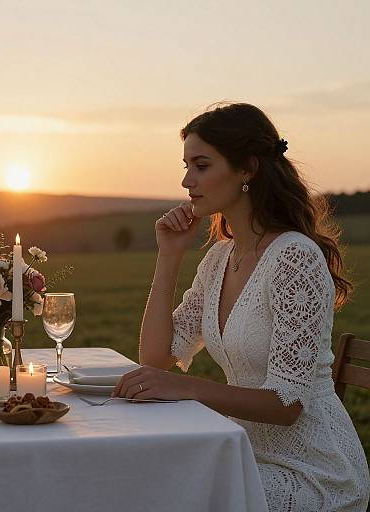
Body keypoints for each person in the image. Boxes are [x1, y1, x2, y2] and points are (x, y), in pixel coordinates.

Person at [112, 103, 370, 511]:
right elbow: (156, 358)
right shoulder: (219, 258)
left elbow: (287, 404)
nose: (186, 180)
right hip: (243, 451)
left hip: (315, 473)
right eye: (186, 166)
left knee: (168, 490)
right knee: (150, 477)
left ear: (246, 169)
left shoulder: (294, 258)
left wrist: (187, 388)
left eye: (201, 165)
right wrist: (168, 258)